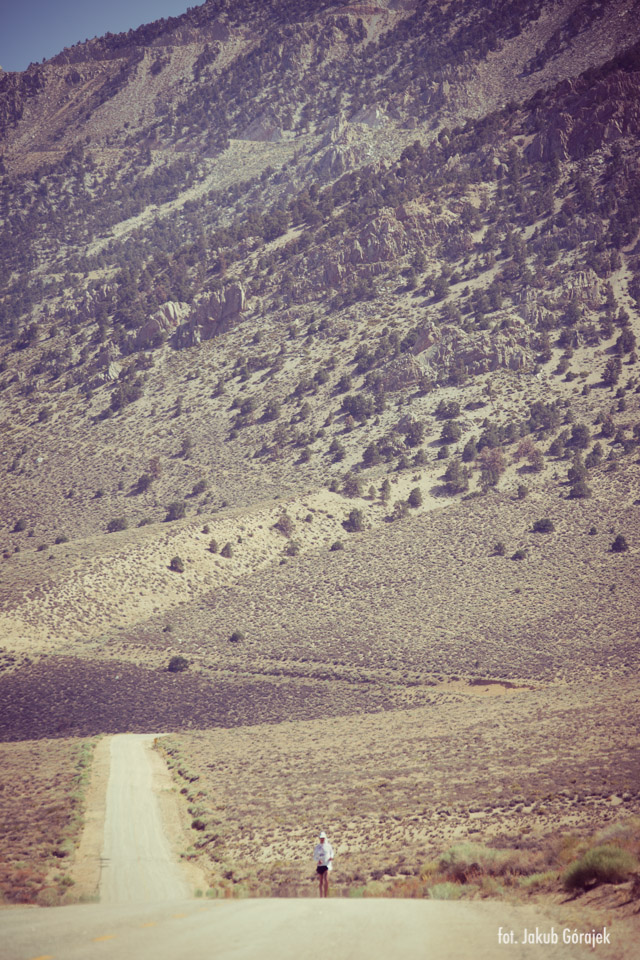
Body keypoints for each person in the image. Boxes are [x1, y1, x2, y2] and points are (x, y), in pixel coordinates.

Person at [313, 830, 334, 897]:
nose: (322, 839)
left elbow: (332, 853)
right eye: (321, 838)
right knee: (321, 881)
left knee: (326, 879)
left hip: (327, 864)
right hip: (320, 865)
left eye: (323, 838)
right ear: (319, 838)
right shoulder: (317, 847)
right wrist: (318, 860)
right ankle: (321, 896)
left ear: (325, 838)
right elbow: (314, 857)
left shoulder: (328, 846)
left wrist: (331, 857)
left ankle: (326, 895)